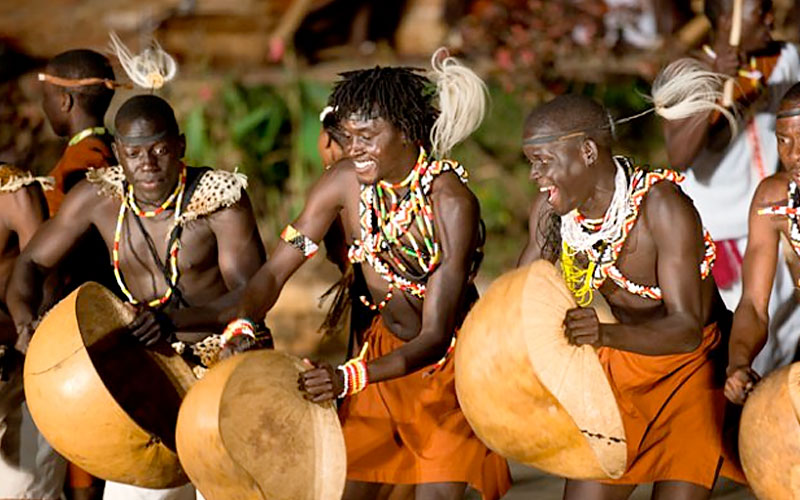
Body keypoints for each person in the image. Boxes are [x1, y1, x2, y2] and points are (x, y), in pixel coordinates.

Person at [220, 52, 510, 499]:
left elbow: (434, 335)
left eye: (368, 136)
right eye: (348, 136)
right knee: (344, 489)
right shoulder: (342, 184)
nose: (354, 148)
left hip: (447, 369)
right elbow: (280, 267)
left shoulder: (450, 201)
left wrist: (348, 378)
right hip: (380, 359)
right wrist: (243, 322)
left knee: (437, 493)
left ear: (406, 132)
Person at [6, 95, 266, 500]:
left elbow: (251, 296)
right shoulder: (98, 199)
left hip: (221, 363)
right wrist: (25, 322)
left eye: (159, 149)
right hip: (146, 373)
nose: (147, 163)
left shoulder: (219, 202)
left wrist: (174, 322)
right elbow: (32, 264)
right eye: (133, 153)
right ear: (118, 154)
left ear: (180, 146)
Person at [519, 94, 739, 499]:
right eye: (531, 162)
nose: (535, 175)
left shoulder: (662, 206)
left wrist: (601, 336)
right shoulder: (554, 212)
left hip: (694, 372)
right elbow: (521, 295)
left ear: (587, 151)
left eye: (543, 161)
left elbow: (687, 329)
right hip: (624, 367)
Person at [661, 0, 800, 374]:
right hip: (716, 239)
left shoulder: (784, 59)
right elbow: (678, 156)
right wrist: (714, 82)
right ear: (727, 19)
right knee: (731, 347)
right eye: (760, 12)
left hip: (772, 224)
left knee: (785, 332)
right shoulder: (687, 71)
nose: (771, 19)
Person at [37, 48, 119, 500]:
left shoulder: (84, 162)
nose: (42, 108)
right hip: (89, 319)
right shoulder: (101, 152)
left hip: (81, 324)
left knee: (83, 465)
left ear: (65, 102)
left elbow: (68, 254)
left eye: (45, 97)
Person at [726, 83, 800, 404]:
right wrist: (739, 362)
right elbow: (754, 306)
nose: (793, 154)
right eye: (783, 141)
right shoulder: (773, 200)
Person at [0, 163, 63, 500]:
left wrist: (28, 331)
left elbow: (43, 279)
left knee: (24, 494)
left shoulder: (15, 194)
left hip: (18, 373)